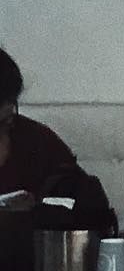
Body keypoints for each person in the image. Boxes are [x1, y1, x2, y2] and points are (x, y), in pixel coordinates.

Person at [0, 47, 77, 198]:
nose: (10, 110)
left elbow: (81, 195)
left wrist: (38, 208)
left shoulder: (38, 140)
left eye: (12, 100)